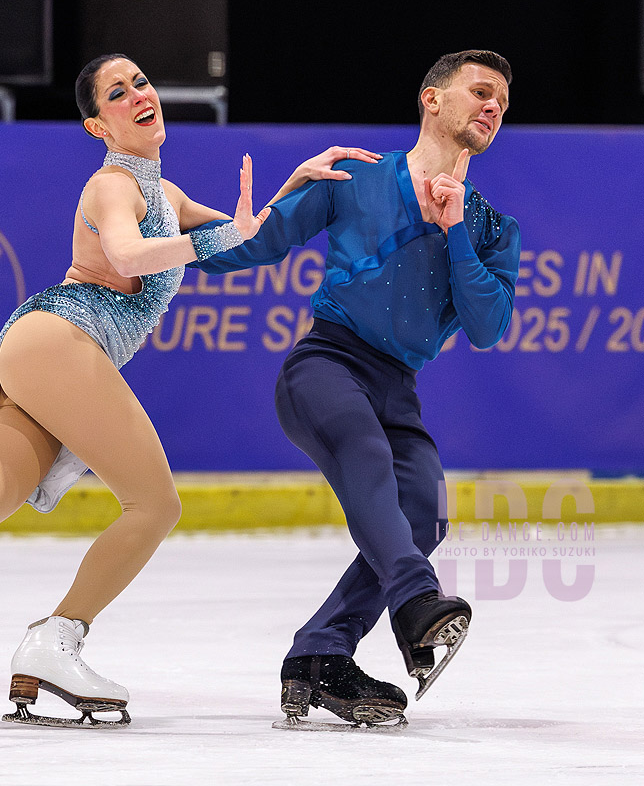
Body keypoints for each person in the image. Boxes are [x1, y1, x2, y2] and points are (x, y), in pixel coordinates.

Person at [0, 53, 376, 727]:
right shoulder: (114, 186)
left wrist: (297, 184)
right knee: (155, 505)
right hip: (60, 339)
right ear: (96, 124)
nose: (139, 94)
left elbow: (238, 237)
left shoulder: (167, 197)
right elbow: (128, 256)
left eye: (141, 82)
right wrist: (210, 242)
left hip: (39, 347)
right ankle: (56, 639)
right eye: (118, 92)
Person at [190, 50, 519, 728]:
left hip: (398, 390)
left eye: (503, 102)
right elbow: (240, 253)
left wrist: (455, 230)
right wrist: (263, 204)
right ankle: (417, 602)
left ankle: (320, 652)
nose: (493, 107)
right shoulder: (355, 180)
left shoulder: (490, 228)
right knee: (366, 456)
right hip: (326, 367)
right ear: (431, 99)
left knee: (425, 513)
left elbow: (486, 326)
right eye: (480, 91)